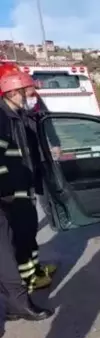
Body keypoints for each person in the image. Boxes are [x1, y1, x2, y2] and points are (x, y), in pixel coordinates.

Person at [0, 63, 60, 293]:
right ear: (14, 92)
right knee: (21, 235)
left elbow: (30, 146)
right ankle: (27, 281)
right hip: (13, 191)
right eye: (28, 91)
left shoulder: (20, 114)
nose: (32, 96)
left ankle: (35, 269)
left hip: (25, 184)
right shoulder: (3, 117)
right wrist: (10, 191)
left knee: (30, 230)